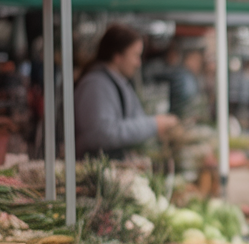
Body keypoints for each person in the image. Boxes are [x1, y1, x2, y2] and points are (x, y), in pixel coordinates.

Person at [75, 25, 178, 157]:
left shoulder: (119, 83)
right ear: (117, 56)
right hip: (95, 170)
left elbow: (135, 119)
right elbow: (102, 133)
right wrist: (154, 124)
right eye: (135, 56)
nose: (138, 63)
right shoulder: (95, 85)